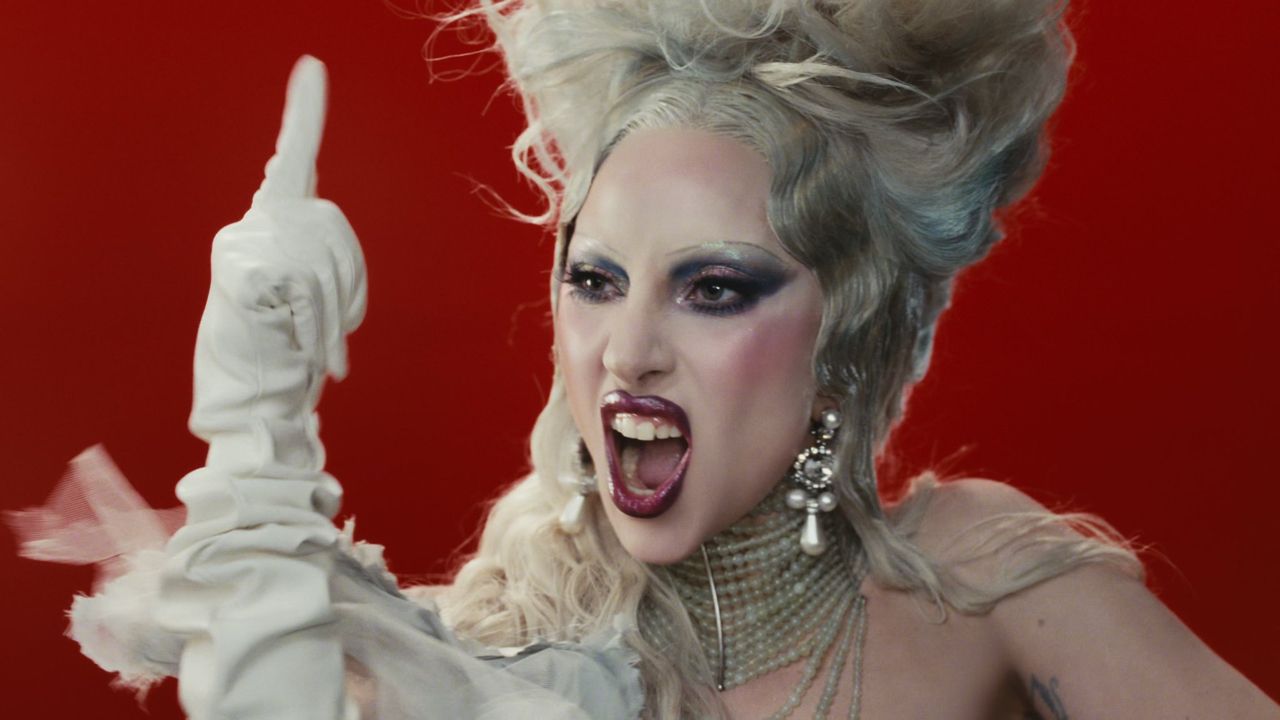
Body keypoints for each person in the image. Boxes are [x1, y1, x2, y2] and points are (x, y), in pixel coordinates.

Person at [9, 1, 1278, 718]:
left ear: (843, 328)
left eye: (712, 289)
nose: (628, 351)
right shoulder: (503, 657)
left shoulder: (977, 583)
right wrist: (258, 412)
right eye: (596, 280)